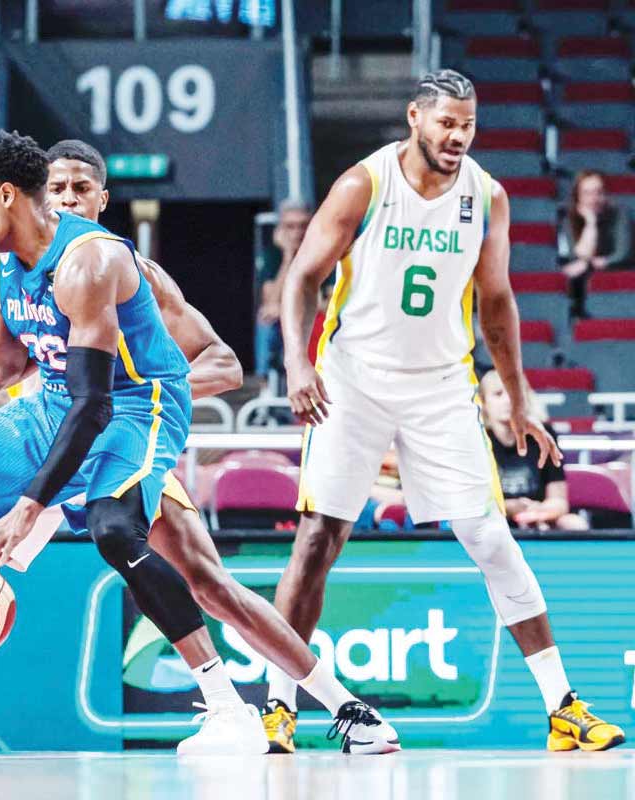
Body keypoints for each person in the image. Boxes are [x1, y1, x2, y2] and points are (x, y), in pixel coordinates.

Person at [0, 131, 399, 758]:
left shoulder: (111, 264)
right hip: (56, 412)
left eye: (81, 188)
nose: (68, 198)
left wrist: (40, 490)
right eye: (57, 188)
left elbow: (207, 367)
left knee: (180, 566)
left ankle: (315, 707)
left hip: (133, 417)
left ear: (96, 198)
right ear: (35, 194)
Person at [274, 69, 624, 753]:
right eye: (446, 122)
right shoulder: (362, 185)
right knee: (317, 541)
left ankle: (563, 709)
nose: (458, 135)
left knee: (491, 537)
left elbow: (497, 301)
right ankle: (277, 708)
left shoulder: (487, 196)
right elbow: (303, 278)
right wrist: (296, 361)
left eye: (468, 123)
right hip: (355, 379)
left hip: (441, 386)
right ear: (414, 118)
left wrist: (520, 395)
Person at [480, 370, 586, 531]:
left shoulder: (544, 434)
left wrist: (536, 512)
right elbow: (472, 503)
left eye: (513, 393)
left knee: (574, 524)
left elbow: (559, 502)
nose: (508, 400)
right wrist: (507, 507)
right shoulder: (478, 439)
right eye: (498, 394)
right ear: (484, 402)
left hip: (539, 516)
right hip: (493, 518)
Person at [559, 171, 632, 319]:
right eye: (587, 193)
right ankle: (579, 316)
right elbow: (576, 255)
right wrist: (590, 223)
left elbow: (622, 254)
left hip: (621, 267)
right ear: (577, 197)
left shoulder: (620, 214)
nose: (594, 199)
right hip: (589, 271)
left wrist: (590, 262)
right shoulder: (569, 218)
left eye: (598, 192)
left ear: (605, 194)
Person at [255, 201, 311, 379]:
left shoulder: (322, 252)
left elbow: (330, 299)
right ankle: (265, 384)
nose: (297, 233)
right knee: (265, 320)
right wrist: (288, 258)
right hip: (283, 323)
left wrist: (287, 309)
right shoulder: (272, 255)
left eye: (303, 226)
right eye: (290, 227)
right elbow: (270, 301)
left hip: (312, 319)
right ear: (280, 229)